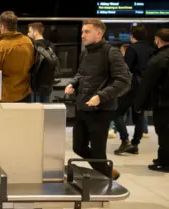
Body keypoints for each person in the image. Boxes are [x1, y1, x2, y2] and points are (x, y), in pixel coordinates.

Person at [65, 19, 131, 180]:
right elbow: (81, 73)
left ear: (99, 33)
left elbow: (123, 80)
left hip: (101, 110)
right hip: (82, 106)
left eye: (87, 31)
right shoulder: (85, 52)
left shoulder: (111, 52)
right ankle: (107, 170)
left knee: (98, 151)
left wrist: (101, 96)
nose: (82, 35)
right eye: (82, 32)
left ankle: (105, 181)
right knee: (78, 147)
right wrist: (73, 83)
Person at [114, 25, 155, 155]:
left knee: (116, 112)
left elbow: (126, 69)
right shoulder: (151, 49)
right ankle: (135, 144)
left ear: (132, 36)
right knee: (139, 115)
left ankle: (125, 140)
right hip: (145, 87)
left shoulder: (132, 49)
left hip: (131, 87)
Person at [135, 28, 169, 172]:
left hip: (163, 103)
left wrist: (139, 104)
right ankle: (162, 158)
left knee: (164, 132)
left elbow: (147, 84)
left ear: (157, 39)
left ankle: (165, 162)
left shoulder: (158, 59)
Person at [0, 11, 34, 102]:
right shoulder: (28, 42)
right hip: (25, 94)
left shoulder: (0, 47)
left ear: (3, 27)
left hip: (6, 98)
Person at [27, 22, 57, 103]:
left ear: (35, 32)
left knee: (36, 113)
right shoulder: (51, 45)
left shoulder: (33, 46)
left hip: (35, 86)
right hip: (48, 85)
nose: (28, 34)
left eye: (29, 31)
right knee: (46, 111)